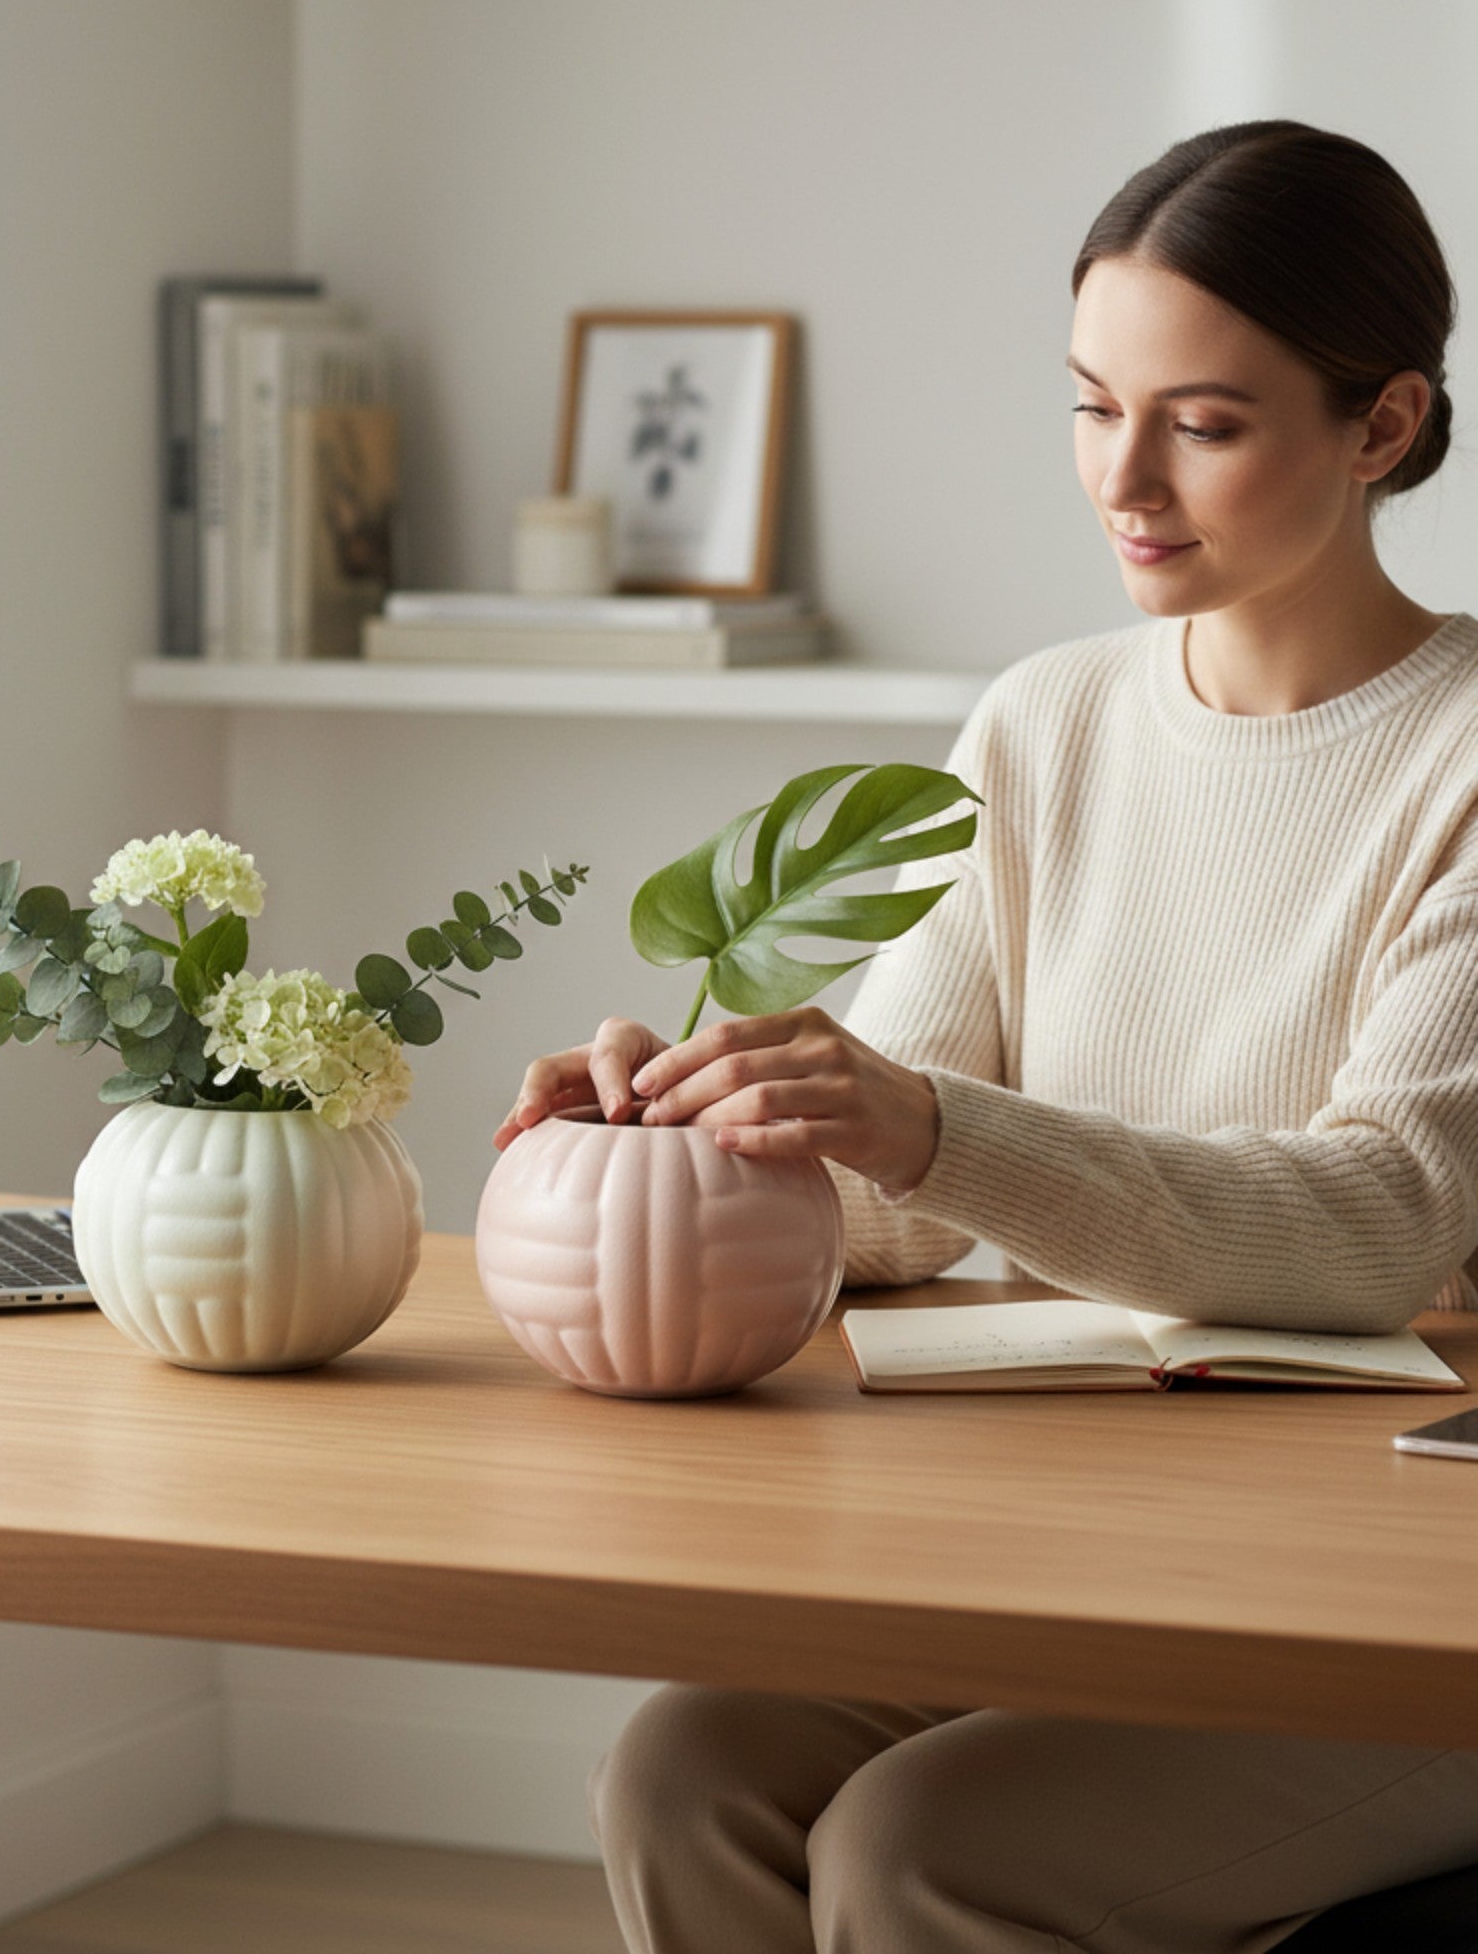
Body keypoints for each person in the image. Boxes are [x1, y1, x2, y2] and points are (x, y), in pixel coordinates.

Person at [497, 121, 1478, 1953]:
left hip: (1404, 1596)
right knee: (680, 1770)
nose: (1127, 477)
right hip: (1098, 1543)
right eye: (1094, 404)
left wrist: (926, 1126)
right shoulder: (1043, 723)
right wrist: (693, 1130)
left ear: (1386, 427)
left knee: (919, 1851)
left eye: (1206, 421)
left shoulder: (1465, 757)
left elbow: (1386, 1222)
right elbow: (900, 1211)